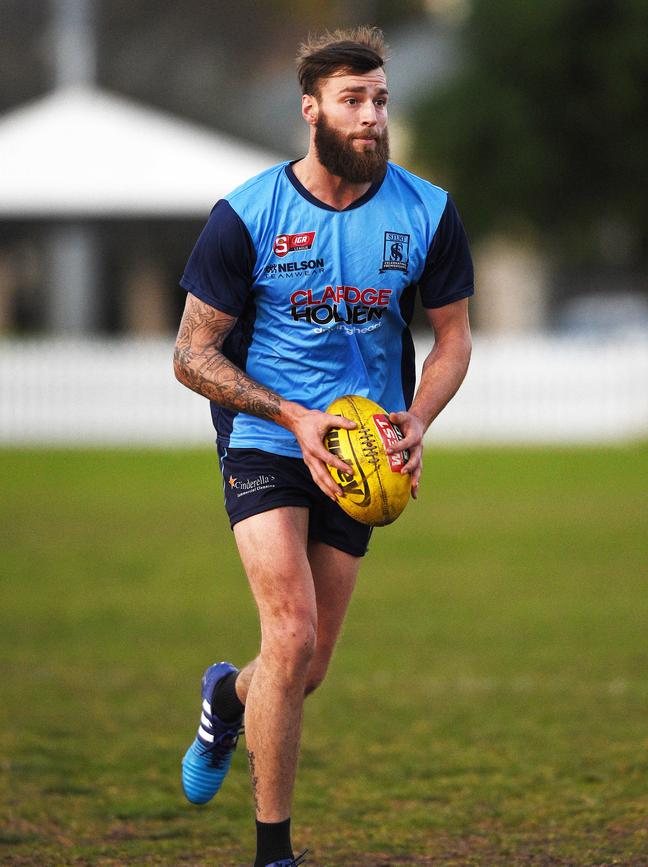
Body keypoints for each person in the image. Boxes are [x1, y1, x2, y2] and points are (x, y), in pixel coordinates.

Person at [173, 26, 473, 867]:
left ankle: (226, 697)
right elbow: (191, 355)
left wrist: (416, 419)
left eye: (381, 100)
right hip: (270, 434)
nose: (373, 117)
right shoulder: (247, 216)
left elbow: (452, 339)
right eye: (353, 100)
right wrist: (292, 416)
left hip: (365, 449)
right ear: (311, 111)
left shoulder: (427, 212)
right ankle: (275, 852)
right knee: (292, 632)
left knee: (299, 672)